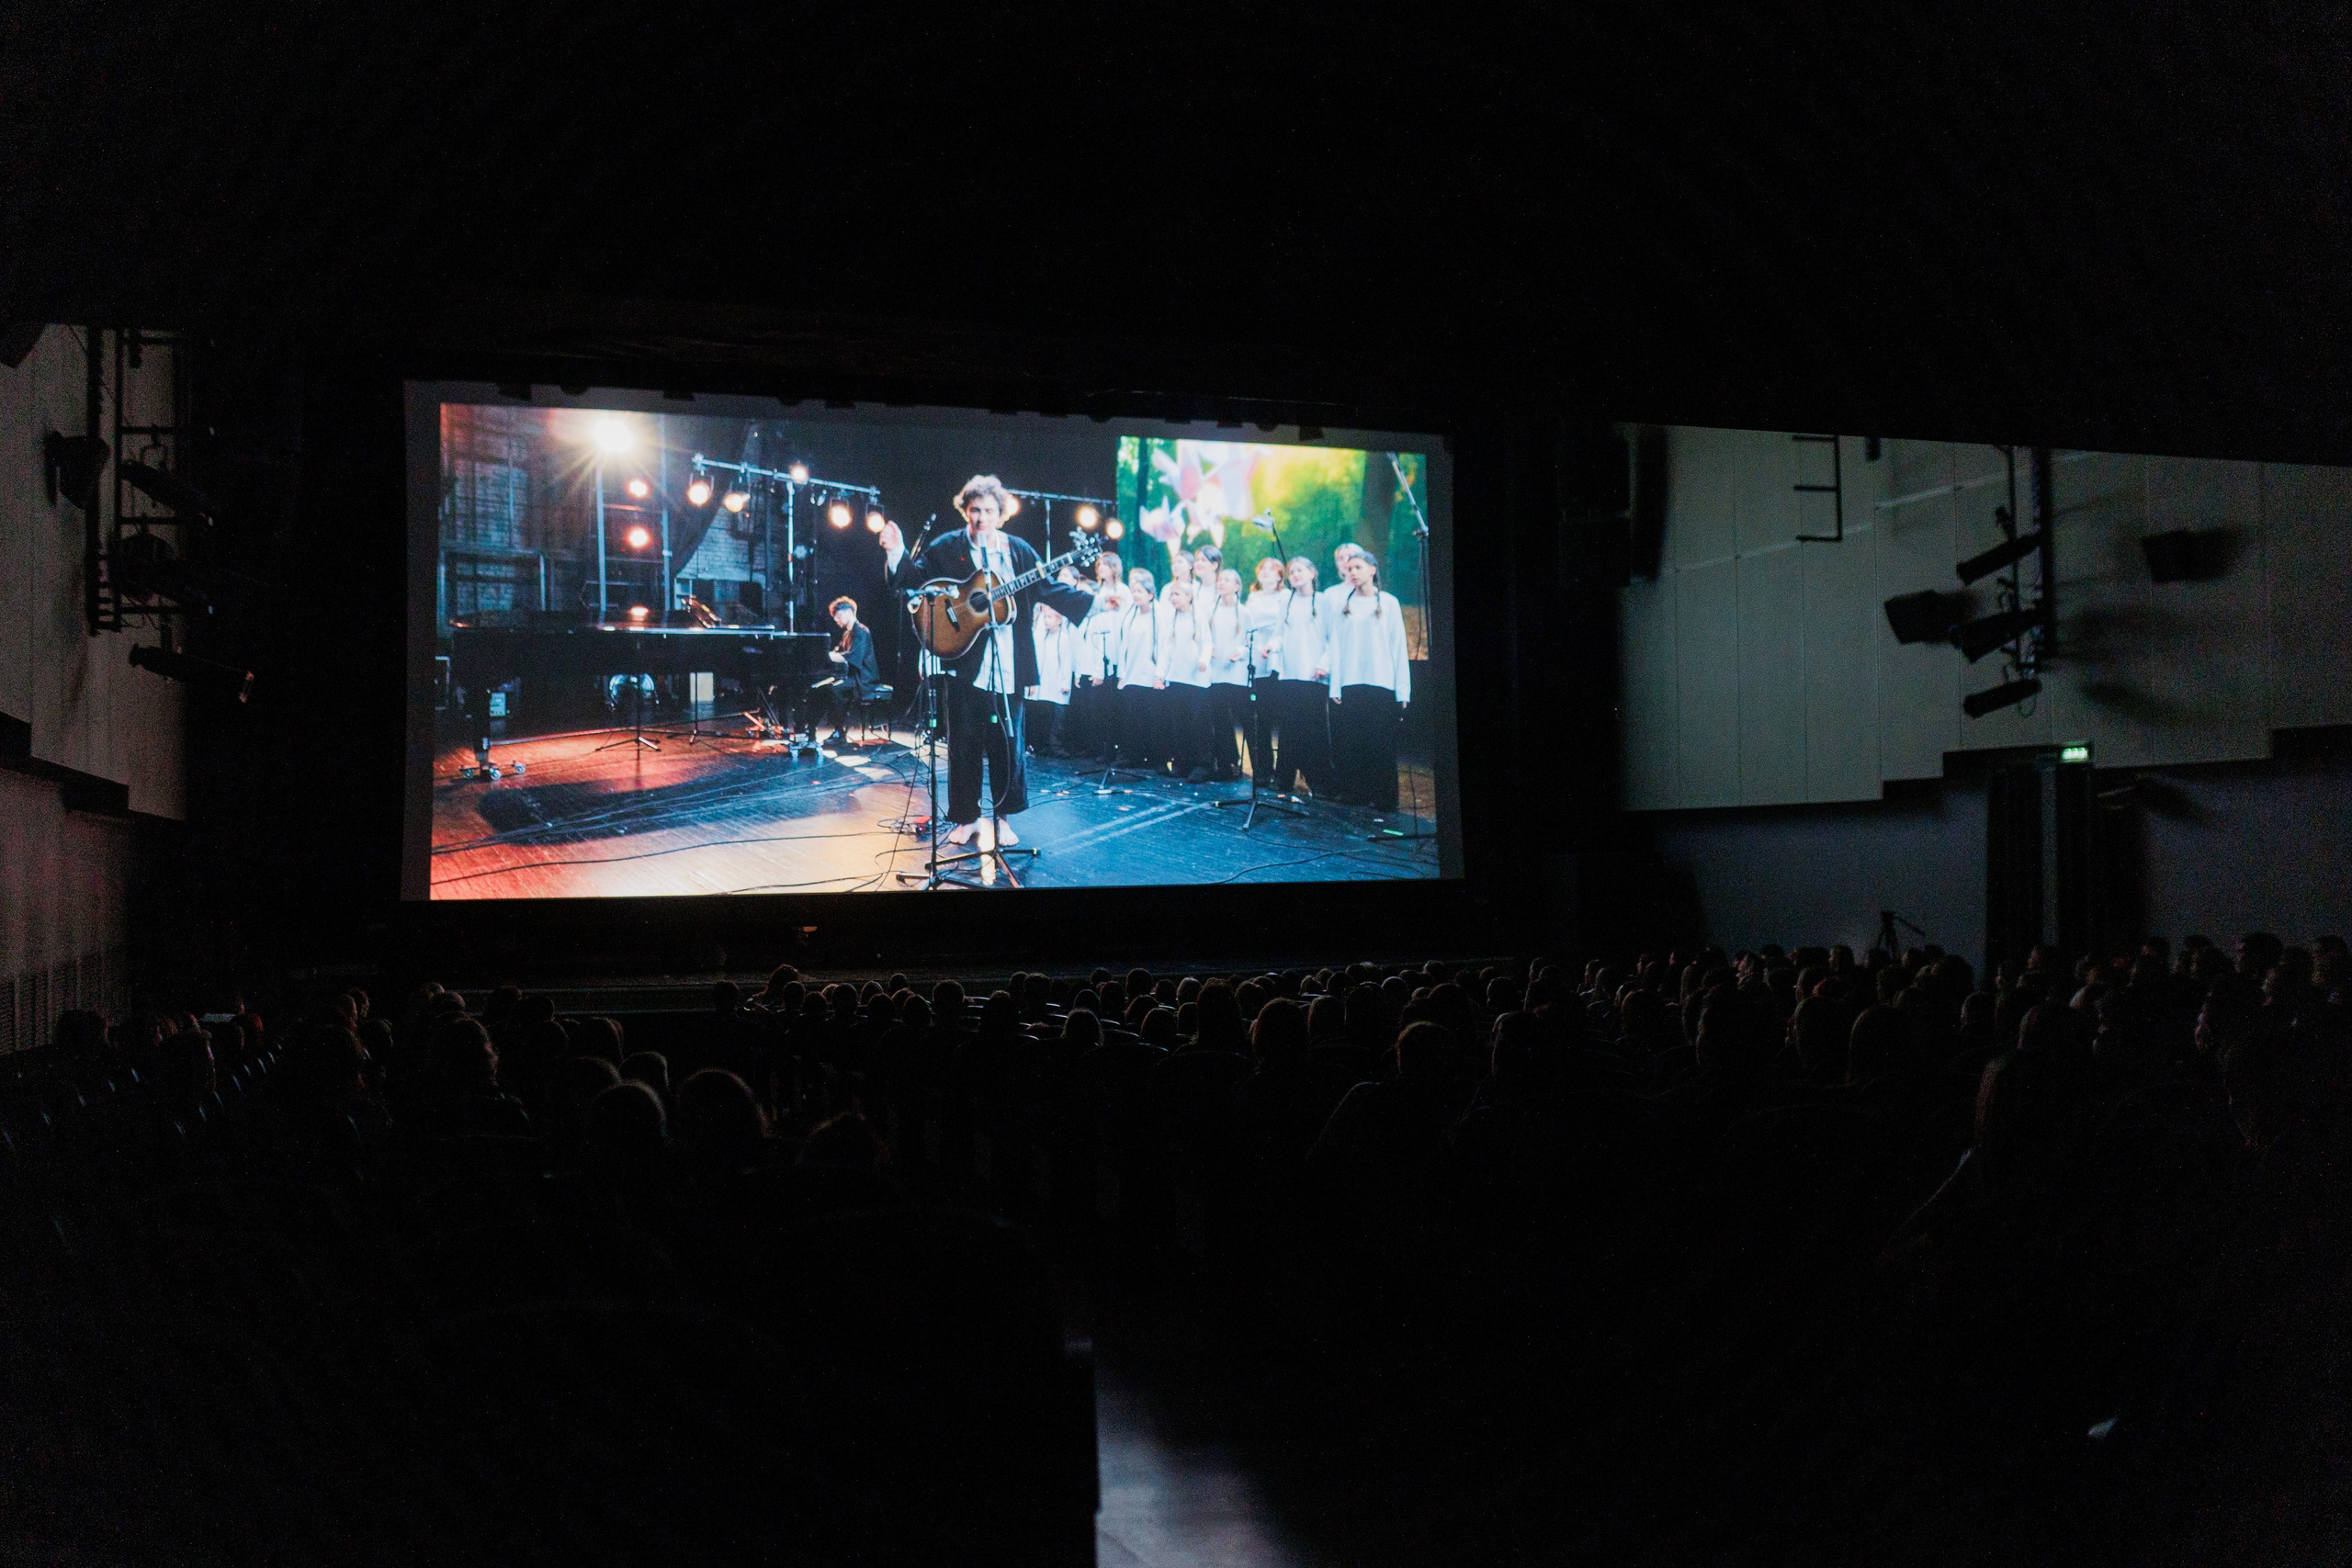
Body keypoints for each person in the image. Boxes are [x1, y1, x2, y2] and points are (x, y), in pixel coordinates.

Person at [879, 475, 1100, 847]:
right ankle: (965, 819)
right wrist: (896, 552)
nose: (981, 517)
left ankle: (1001, 818)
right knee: (963, 743)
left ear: (1001, 514)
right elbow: (915, 579)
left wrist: (1092, 603)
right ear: (965, 511)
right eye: (974, 510)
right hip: (964, 659)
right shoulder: (949, 546)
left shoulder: (1017, 550)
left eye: (988, 510)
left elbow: (1046, 587)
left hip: (1010, 661)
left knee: (1007, 745)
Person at [1319, 546, 1410, 809]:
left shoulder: (1389, 602)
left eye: (1358, 567)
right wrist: (1335, 686)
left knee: (1380, 741)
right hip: (1351, 682)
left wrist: (1402, 690)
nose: (1353, 572)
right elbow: (1336, 646)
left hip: (1381, 682)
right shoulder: (1344, 604)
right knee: (1352, 741)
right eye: (1349, 569)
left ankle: (1384, 798)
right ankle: (1356, 793)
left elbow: (1398, 646)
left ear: (1372, 570)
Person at [1159, 576, 1213, 782]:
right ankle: (1182, 763)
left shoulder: (1198, 617)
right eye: (1171, 594)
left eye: (1177, 594)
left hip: (1196, 680)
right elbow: (1167, 648)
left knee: (1197, 723)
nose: (1173, 598)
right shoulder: (1172, 618)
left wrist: (1203, 660)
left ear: (1189, 596)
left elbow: (1207, 642)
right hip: (1177, 677)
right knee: (1179, 723)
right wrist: (1160, 674)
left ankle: (1202, 765)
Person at [1113, 568, 1163, 768]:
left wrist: (1159, 674)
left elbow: (1163, 645)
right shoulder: (1130, 614)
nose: (1135, 595)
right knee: (1132, 718)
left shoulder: (1159, 614)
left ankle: (1155, 758)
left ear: (1150, 594)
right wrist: (1122, 674)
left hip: (1150, 674)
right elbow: (1123, 645)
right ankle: (1132, 756)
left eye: (1140, 592)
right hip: (1132, 674)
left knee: (1152, 719)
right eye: (1134, 592)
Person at [1204, 568, 1250, 782]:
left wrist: (1240, 651)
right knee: (1220, 720)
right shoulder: (1210, 611)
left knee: (1244, 719)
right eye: (1220, 579)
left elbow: (1249, 641)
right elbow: (1205, 637)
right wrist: (1209, 648)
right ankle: (1225, 764)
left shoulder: (1244, 612)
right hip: (1215, 673)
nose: (1221, 583)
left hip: (1237, 674)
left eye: (1227, 580)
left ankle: (1258, 768)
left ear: (1237, 586)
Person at [819, 594, 882, 748]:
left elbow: (854, 657)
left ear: (849, 612)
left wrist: (831, 656)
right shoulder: (847, 633)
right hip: (853, 676)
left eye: (839, 616)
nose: (837, 620)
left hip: (864, 678)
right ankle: (836, 729)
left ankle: (839, 732)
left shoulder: (861, 631)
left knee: (833, 690)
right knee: (825, 688)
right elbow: (840, 651)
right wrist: (831, 654)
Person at [1024, 600, 1077, 757]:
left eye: (1049, 617)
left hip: (1057, 682)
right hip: (1045, 681)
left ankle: (1056, 746)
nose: (1046, 620)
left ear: (1058, 620)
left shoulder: (1063, 638)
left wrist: (1065, 682)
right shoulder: (1044, 637)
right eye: (1045, 617)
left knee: (1057, 716)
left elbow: (1066, 662)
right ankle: (1041, 745)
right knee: (1043, 714)